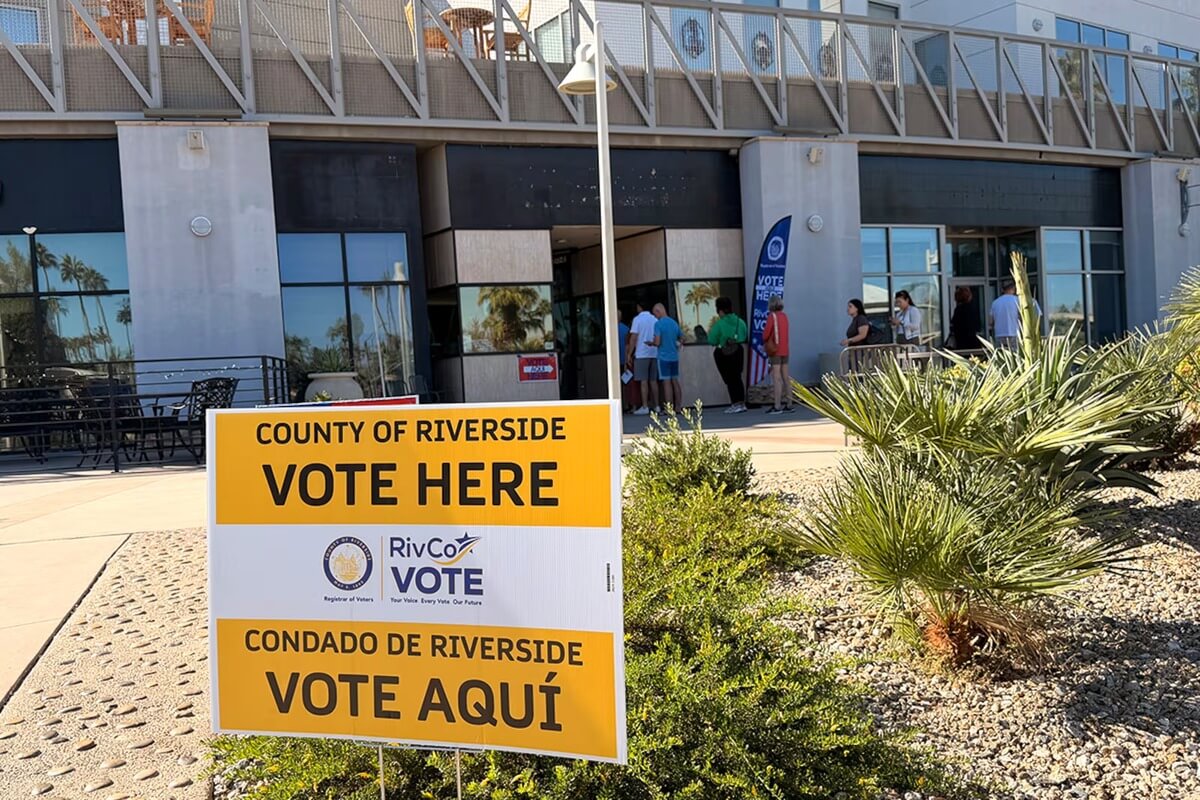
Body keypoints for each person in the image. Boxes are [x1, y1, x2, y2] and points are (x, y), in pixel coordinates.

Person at [707, 296, 748, 413]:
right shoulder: (740, 321)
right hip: (738, 350)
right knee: (738, 377)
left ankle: (735, 403)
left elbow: (711, 340)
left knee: (730, 379)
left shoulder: (720, 324)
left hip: (724, 353)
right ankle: (741, 403)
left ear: (720, 311)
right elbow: (744, 334)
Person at [762, 294, 793, 415]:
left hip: (775, 350)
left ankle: (777, 405)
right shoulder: (784, 316)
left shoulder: (772, 317)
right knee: (786, 377)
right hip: (785, 350)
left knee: (776, 378)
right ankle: (789, 404)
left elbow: (765, 335)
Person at [626, 301, 659, 415]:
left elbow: (633, 337)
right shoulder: (654, 319)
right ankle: (657, 406)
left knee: (643, 381)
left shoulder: (637, 319)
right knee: (653, 381)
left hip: (641, 354)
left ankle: (645, 406)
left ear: (639, 307)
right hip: (654, 353)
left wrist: (629, 354)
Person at [990, 279, 1042, 350]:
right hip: (1014, 333)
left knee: (1001, 356)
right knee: (1015, 357)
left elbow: (990, 322)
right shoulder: (1018, 300)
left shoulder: (995, 303)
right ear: (1014, 288)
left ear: (1002, 289)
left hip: (999, 334)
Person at [652, 303, 683, 413]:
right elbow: (682, 338)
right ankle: (678, 406)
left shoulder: (658, 324)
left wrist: (652, 343)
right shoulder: (674, 323)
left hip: (663, 357)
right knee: (675, 381)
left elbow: (657, 342)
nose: (655, 316)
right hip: (674, 357)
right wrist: (676, 345)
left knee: (666, 383)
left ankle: (669, 409)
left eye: (655, 314)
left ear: (658, 311)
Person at [949, 286, 980, 350]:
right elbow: (975, 326)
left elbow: (954, 326)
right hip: (971, 344)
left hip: (960, 343)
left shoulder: (958, 310)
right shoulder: (970, 309)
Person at [616, 311, 632, 411]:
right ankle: (627, 404)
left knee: (617, 385)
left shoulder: (610, 329)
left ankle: (620, 405)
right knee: (626, 384)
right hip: (625, 360)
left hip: (615, 362)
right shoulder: (627, 329)